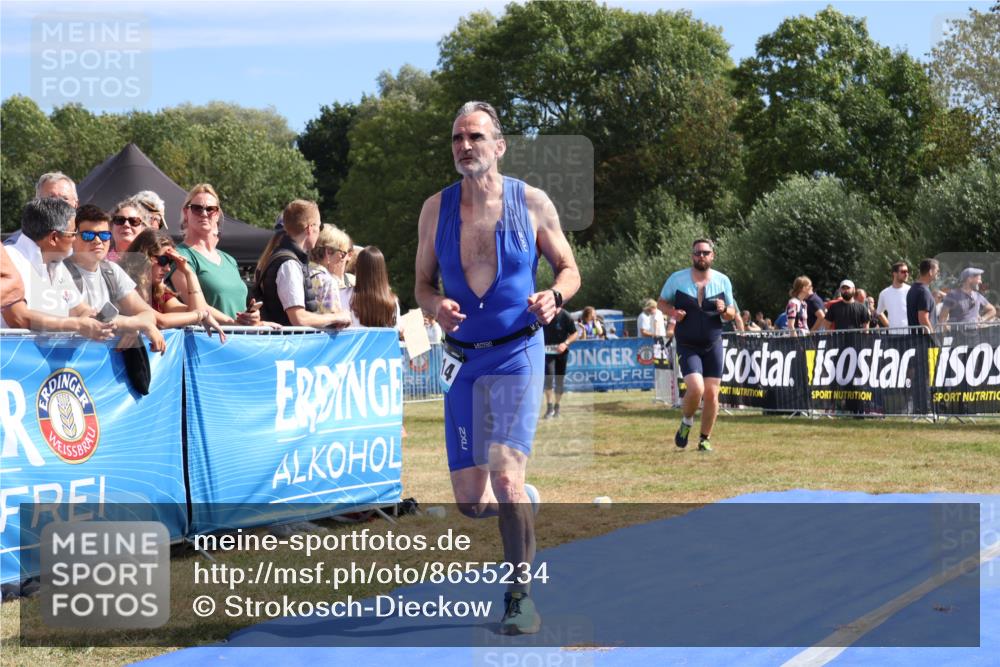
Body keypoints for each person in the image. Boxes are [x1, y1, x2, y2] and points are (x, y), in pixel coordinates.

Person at [414, 101, 580, 635]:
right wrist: (433, 305)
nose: (466, 146)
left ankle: (519, 597)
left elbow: (569, 269)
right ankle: (524, 503)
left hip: (516, 352)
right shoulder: (434, 210)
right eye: (459, 137)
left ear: (499, 145)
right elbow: (420, 284)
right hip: (461, 359)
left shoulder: (531, 202)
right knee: (470, 502)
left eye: (476, 137)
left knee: (506, 477)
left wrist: (555, 295)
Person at [658, 238, 736, 452]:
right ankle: (686, 421)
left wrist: (724, 309)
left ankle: (704, 439)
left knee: (711, 393)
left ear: (713, 255)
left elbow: (732, 313)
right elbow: (661, 303)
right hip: (687, 344)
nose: (701, 256)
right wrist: (673, 313)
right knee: (696, 388)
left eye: (705, 253)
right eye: (697, 253)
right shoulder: (677, 279)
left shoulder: (723, 281)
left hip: (713, 344)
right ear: (692, 256)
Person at [1, 198, 113, 340]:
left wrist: (96, 320)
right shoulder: (8, 260)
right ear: (54, 238)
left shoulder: (57, 264)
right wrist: (77, 325)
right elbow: (18, 318)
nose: (75, 239)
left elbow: (79, 309)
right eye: (73, 233)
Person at [63, 204, 165, 353]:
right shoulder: (59, 270)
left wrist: (133, 326)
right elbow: (90, 320)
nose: (98, 241)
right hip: (67, 365)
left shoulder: (112, 270)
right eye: (88, 235)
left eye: (104, 235)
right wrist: (133, 324)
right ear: (73, 237)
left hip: (105, 367)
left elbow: (149, 315)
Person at [254, 200, 350, 329]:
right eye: (319, 227)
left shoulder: (285, 258)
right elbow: (299, 318)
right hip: (287, 345)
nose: (319, 232)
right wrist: (337, 317)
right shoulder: (289, 264)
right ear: (310, 228)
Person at [120, 229, 227, 340]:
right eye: (163, 260)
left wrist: (189, 273)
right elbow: (161, 321)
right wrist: (202, 315)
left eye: (170, 262)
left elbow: (194, 310)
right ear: (144, 257)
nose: (168, 268)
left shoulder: (158, 291)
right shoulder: (123, 284)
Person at [171, 184, 252, 321]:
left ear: (217, 214)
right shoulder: (180, 255)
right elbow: (196, 306)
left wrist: (253, 319)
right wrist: (233, 323)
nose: (204, 213)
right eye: (197, 208)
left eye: (210, 209)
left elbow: (240, 308)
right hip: (208, 339)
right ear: (186, 212)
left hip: (240, 339)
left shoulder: (229, 260)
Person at [307, 225, 355, 314]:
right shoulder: (327, 281)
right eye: (342, 253)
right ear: (328, 252)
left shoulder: (300, 271)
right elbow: (334, 320)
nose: (342, 258)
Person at [348, 246, 398, 328]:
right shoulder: (392, 300)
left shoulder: (344, 295)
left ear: (357, 268)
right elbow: (395, 332)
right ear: (382, 270)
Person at [542, 306, 578, 419]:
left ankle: (557, 406)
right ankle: (549, 407)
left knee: (559, 380)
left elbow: (575, 333)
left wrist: (565, 343)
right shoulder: (544, 314)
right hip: (547, 351)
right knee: (548, 377)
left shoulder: (566, 315)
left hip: (561, 352)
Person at [107, 196, 149, 262]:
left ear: (143, 228)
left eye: (134, 221)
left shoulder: (150, 264)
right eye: (120, 220)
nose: (126, 225)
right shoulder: (97, 261)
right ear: (111, 227)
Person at [876, 261, 911, 330]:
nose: (906, 274)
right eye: (903, 271)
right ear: (894, 274)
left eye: (907, 271)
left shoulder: (911, 290)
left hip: (911, 334)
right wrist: (889, 327)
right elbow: (879, 312)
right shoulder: (884, 293)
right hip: (893, 335)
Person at [906, 259, 939, 334]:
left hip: (916, 339)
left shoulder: (913, 288)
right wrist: (933, 337)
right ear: (930, 272)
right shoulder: (924, 292)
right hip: (924, 340)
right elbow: (923, 319)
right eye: (937, 270)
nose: (938, 273)